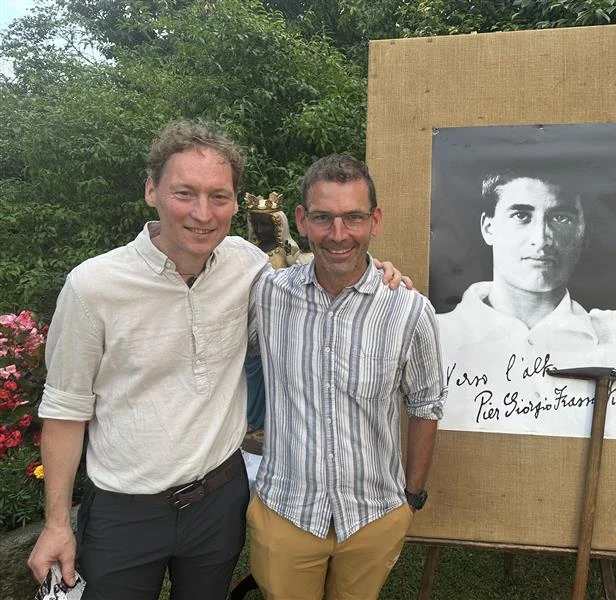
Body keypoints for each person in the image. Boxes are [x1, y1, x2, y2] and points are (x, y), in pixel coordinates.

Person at [27, 121, 407, 600]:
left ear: (235, 200)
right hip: (125, 510)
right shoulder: (93, 287)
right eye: (185, 193)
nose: (203, 214)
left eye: (219, 196)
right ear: (151, 190)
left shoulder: (248, 266)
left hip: (218, 502)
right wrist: (57, 523)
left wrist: (383, 274)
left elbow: (327, 268)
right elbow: (65, 410)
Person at [246, 154, 447, 600]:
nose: (338, 235)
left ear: (374, 220)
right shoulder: (266, 295)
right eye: (323, 218)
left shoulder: (409, 309)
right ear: (300, 220)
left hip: (374, 516)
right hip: (285, 512)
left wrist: (411, 498)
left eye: (353, 217)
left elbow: (426, 405)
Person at [437, 172, 616, 437]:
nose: (542, 238)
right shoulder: (435, 336)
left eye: (561, 217)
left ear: (582, 230)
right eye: (521, 216)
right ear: (488, 227)